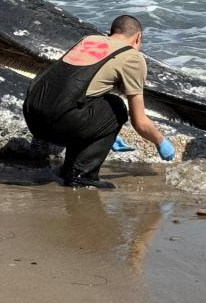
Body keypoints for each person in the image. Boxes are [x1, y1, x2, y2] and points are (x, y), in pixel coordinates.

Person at [23, 14, 176, 189]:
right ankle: (82, 175)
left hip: (32, 116)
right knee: (117, 106)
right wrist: (160, 141)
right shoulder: (133, 57)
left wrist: (104, 132)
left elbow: (73, 88)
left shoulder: (88, 40)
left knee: (98, 103)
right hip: (59, 123)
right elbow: (139, 122)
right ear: (138, 37)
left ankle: (67, 170)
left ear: (110, 33)